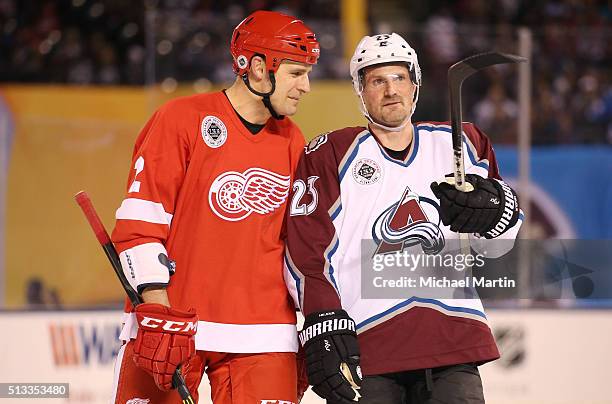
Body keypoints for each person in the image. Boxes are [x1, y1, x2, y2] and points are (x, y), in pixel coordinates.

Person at [285, 33, 523, 403]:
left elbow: (495, 249)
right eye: (377, 81)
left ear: (415, 85)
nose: (391, 90)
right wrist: (322, 319)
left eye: (399, 78)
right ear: (360, 92)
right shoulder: (332, 153)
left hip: (453, 342)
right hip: (368, 344)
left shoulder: (463, 144)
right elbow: (306, 252)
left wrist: (497, 216)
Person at [110, 10, 319, 404]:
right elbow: (141, 223)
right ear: (258, 68)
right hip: (174, 324)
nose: (305, 86)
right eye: (296, 73)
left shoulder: (292, 141)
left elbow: (299, 247)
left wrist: (311, 324)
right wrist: (157, 314)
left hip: (263, 330)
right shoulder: (180, 120)